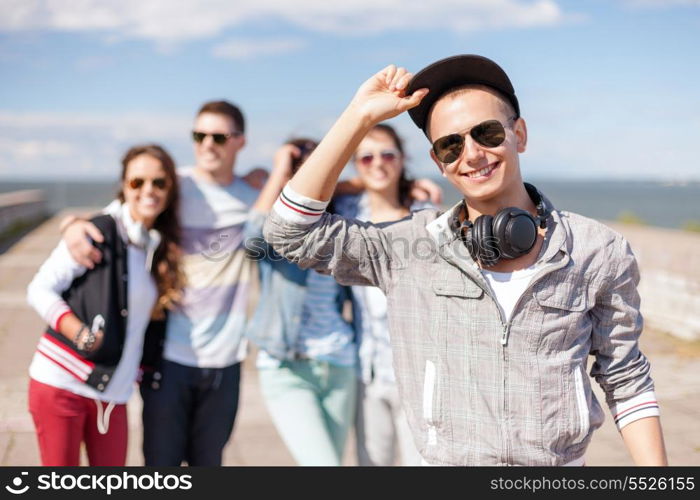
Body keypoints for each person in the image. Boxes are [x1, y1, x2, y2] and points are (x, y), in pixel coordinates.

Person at [263, 55, 668, 466]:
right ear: (439, 162)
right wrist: (358, 117)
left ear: (519, 135)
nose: (472, 154)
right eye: (451, 145)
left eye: (487, 133)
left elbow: (626, 377)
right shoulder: (407, 248)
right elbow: (287, 233)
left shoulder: (597, 249)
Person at [62, 101, 259, 466]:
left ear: (240, 142)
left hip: (227, 360)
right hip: (168, 358)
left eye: (218, 136)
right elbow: (117, 216)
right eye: (199, 135)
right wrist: (71, 223)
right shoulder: (174, 185)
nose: (207, 145)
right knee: (160, 466)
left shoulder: (253, 198)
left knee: (208, 463)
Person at [26, 144, 182, 466]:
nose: (148, 191)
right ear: (124, 186)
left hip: (113, 395)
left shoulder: (155, 245)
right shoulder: (98, 232)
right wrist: (79, 332)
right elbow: (39, 289)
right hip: (62, 383)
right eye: (138, 182)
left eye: (159, 182)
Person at [333, 123, 426, 466]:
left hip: (420, 376)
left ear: (402, 159)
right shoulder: (346, 213)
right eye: (366, 157)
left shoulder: (424, 216)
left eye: (387, 154)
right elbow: (309, 192)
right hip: (368, 371)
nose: (378, 164)